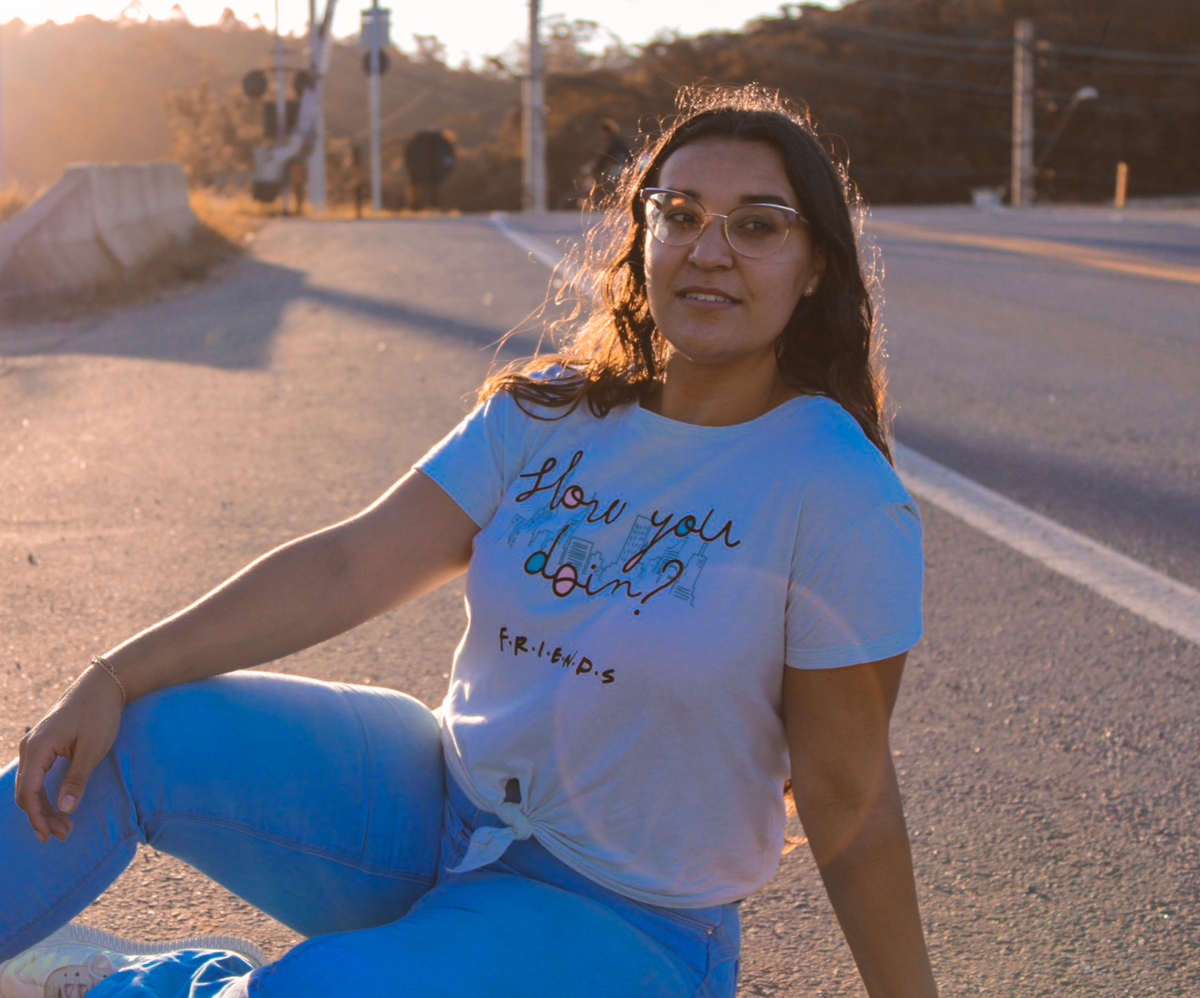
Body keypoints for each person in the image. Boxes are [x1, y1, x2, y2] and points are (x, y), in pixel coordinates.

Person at [1, 85, 938, 998]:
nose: (709, 251)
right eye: (680, 213)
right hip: (441, 809)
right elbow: (347, 564)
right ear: (643, 235)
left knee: (323, 990)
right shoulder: (549, 410)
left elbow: (846, 793)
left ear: (814, 263)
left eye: (758, 225)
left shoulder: (838, 492)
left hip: (623, 924)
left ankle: (148, 985)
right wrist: (114, 676)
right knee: (132, 736)